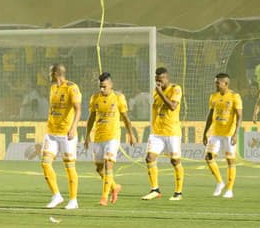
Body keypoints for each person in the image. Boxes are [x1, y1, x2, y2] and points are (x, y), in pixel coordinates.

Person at [83, 72, 137, 207]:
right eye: (100, 86)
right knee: (99, 168)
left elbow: (125, 117)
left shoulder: (119, 98)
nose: (102, 89)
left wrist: (131, 133)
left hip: (113, 136)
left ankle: (104, 198)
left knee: (108, 163)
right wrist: (87, 135)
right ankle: (114, 186)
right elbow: (91, 118)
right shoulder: (94, 98)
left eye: (104, 87)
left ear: (111, 85)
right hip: (98, 137)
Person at [41, 64, 82, 210]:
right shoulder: (53, 88)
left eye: (50, 72)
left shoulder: (72, 87)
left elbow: (78, 110)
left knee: (69, 167)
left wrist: (73, 128)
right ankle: (56, 195)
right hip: (51, 132)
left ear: (56, 73)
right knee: (45, 163)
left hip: (66, 134)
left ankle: (73, 200)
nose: (48, 74)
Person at [143, 67, 184, 201]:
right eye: (156, 80)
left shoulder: (175, 89)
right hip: (157, 133)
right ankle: (155, 189)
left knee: (175, 161)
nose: (158, 83)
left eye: (160, 80)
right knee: (149, 158)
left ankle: (178, 192)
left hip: (172, 132)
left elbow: (172, 106)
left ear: (166, 78)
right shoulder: (156, 92)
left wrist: (160, 92)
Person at [203, 72, 242, 198]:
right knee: (209, 157)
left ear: (226, 83)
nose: (216, 85)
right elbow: (210, 115)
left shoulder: (235, 96)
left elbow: (240, 116)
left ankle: (229, 189)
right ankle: (220, 182)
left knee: (230, 160)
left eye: (218, 83)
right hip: (215, 133)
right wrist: (205, 133)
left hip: (229, 134)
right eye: (215, 82)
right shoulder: (213, 97)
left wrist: (236, 133)